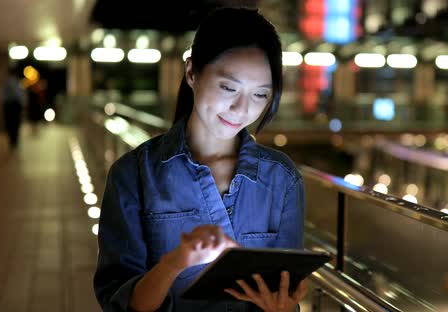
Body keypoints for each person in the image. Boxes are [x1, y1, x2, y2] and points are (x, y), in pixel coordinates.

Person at [94, 8, 307, 312]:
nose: (240, 109)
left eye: (260, 95)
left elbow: (286, 295)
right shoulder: (135, 174)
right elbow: (122, 302)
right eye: (228, 88)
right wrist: (175, 262)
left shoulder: (282, 178)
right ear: (192, 72)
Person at [0, 66, 25, 150]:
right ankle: (13, 140)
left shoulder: (7, 82)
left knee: (10, 123)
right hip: (13, 105)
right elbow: (20, 94)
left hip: (9, 105)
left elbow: (2, 95)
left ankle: (13, 140)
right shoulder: (15, 82)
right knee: (14, 123)